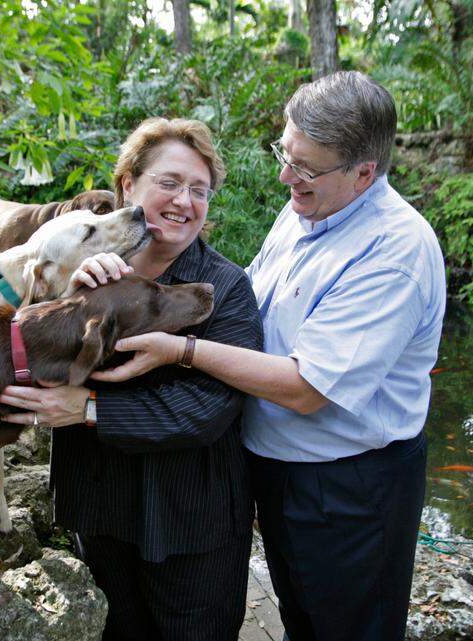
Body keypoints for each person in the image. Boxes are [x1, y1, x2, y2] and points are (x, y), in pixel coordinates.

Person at [86, 71, 447, 641]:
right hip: (279, 472)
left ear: (363, 173)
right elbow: (246, 304)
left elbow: (307, 388)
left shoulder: (393, 252)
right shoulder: (306, 209)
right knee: (301, 616)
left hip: (348, 486)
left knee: (348, 627)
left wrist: (181, 350)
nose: (286, 176)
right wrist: (116, 279)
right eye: (286, 152)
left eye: (304, 167)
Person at [0, 118, 263, 641]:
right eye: (168, 182)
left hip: (191, 517)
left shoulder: (225, 288)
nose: (183, 201)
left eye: (199, 190)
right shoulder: (79, 265)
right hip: (99, 505)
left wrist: (87, 408)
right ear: (128, 185)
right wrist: (66, 305)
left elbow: (206, 408)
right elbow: (18, 355)